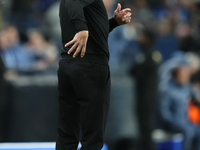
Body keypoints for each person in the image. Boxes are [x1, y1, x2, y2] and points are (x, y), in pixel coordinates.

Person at [56, 0, 132, 150]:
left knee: (67, 135)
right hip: (91, 68)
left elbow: (94, 31)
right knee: (92, 138)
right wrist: (82, 28)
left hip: (68, 66)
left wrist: (114, 23)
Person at [158, 53, 200, 150]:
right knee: (188, 131)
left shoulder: (186, 87)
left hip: (186, 121)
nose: (187, 75)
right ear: (177, 73)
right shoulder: (166, 90)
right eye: (184, 72)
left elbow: (197, 97)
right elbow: (164, 113)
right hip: (173, 122)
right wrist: (172, 122)